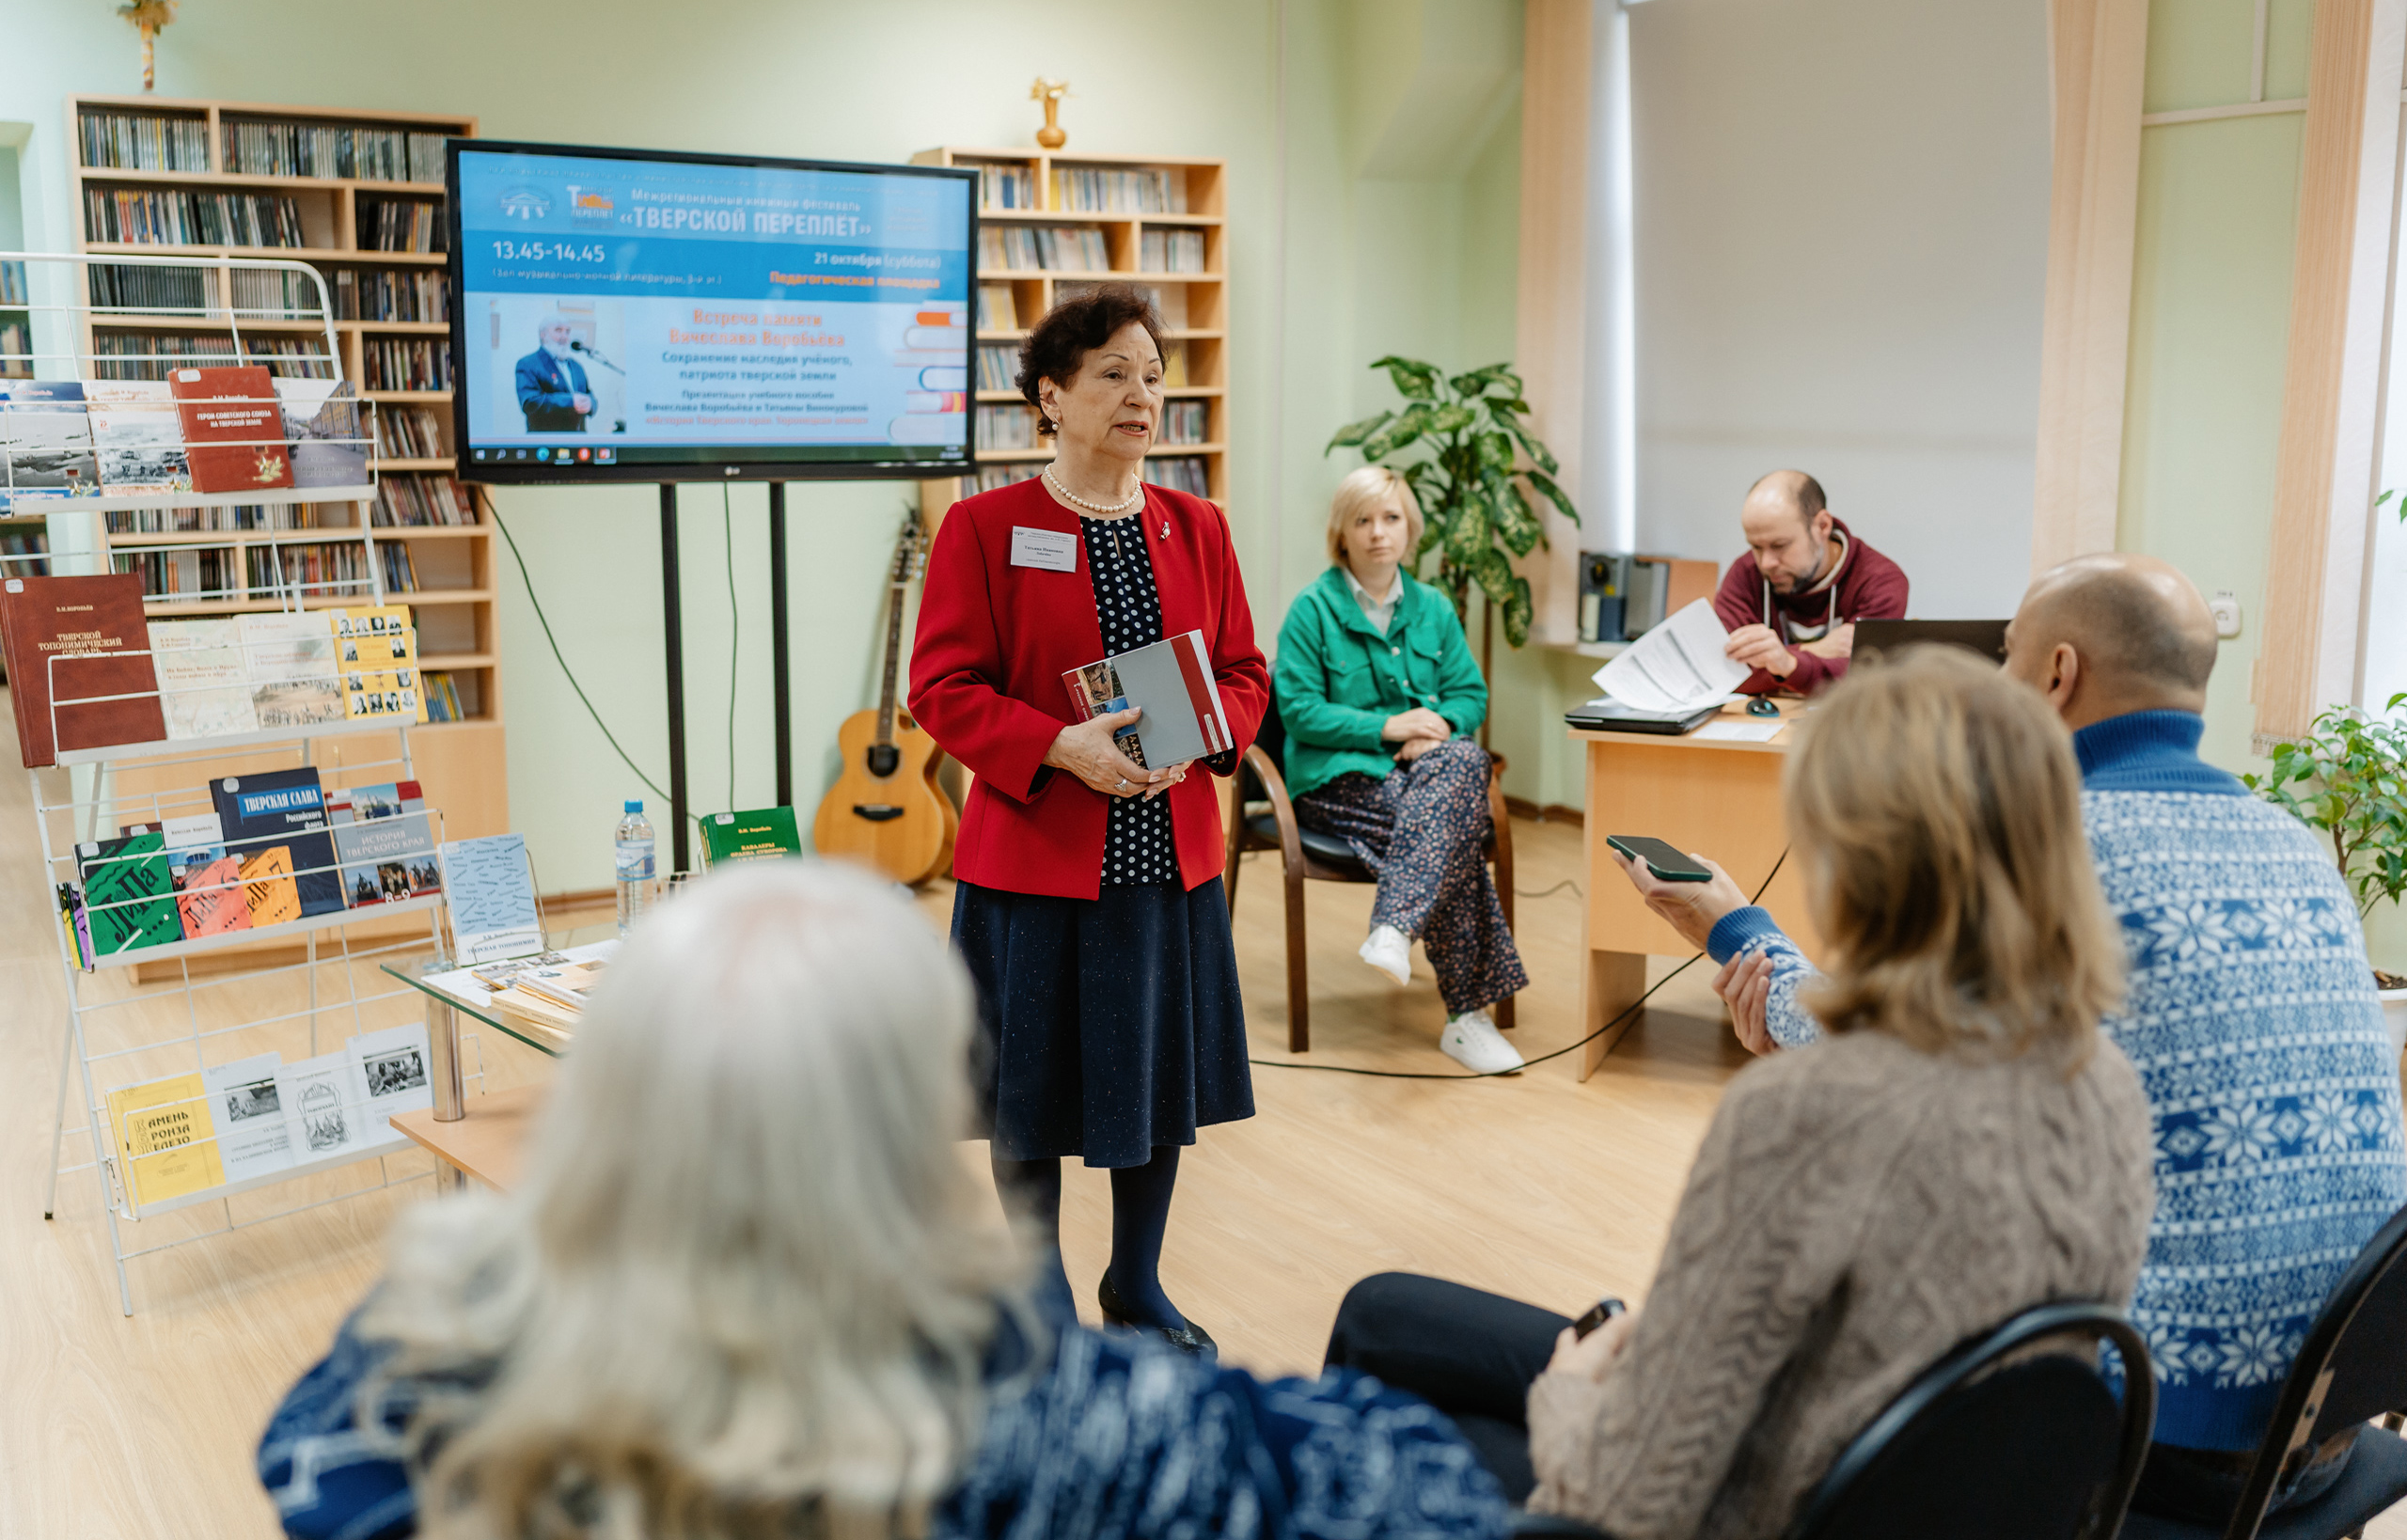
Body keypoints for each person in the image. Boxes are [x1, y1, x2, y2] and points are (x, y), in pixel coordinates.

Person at [255, 862, 1511, 1540]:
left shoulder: (421, 1346)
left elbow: (296, 1456)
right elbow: (1415, 1487)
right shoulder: (1050, 1410)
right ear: (915, 1125)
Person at [1626, 553, 2407, 1528]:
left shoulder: (2045, 847)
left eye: (2006, 657)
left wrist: (1734, 930)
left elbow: (1872, 1053)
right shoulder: (2294, 846)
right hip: (2328, 1413)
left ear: (2056, 674)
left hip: (2152, 1442)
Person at [1324, 650, 2155, 1539]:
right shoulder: (2104, 1084)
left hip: (1760, 1506)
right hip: (1930, 1499)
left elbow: (1624, 1502)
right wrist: (1732, 930)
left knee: (1380, 1346)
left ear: (1857, 862)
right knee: (1389, 1315)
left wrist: (1566, 1396)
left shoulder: (1801, 1113)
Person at [910, 283, 1268, 1355]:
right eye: (1113, 372)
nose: (1140, 393)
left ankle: (1136, 1283)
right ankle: (1036, 1294)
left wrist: (1205, 735)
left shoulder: (1195, 526)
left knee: (1151, 1084)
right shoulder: (985, 527)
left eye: (1153, 375)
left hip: (1166, 853)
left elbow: (1245, 672)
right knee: (1029, 1091)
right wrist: (1056, 745)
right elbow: (941, 689)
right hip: (1035, 857)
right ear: (1050, 398)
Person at [1272, 465, 1527, 1073]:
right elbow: (1300, 711)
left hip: (1425, 773)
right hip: (1338, 780)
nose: (1378, 533)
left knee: (1461, 756)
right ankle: (1468, 1019)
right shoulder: (1311, 609)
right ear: (1342, 532)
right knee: (1451, 830)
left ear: (1410, 528)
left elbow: (1469, 695)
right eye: (1363, 520)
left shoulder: (1434, 607)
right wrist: (1388, 728)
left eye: (1390, 518)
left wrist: (1433, 725)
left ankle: (1394, 926)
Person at [1711, 469, 1907, 695]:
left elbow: (1864, 680)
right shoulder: (1745, 573)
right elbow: (1723, 674)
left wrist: (1785, 662)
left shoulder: (1880, 580)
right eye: (1755, 547)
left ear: (1822, 526)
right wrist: (1812, 650)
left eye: (1779, 545)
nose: (1766, 563)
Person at [514, 318, 592, 432]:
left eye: (567, 331)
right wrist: (571, 401)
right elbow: (530, 402)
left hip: (579, 442)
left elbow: (589, 394)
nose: (564, 336)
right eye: (558, 330)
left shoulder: (576, 366)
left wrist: (590, 404)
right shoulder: (528, 364)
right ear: (543, 335)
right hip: (546, 443)